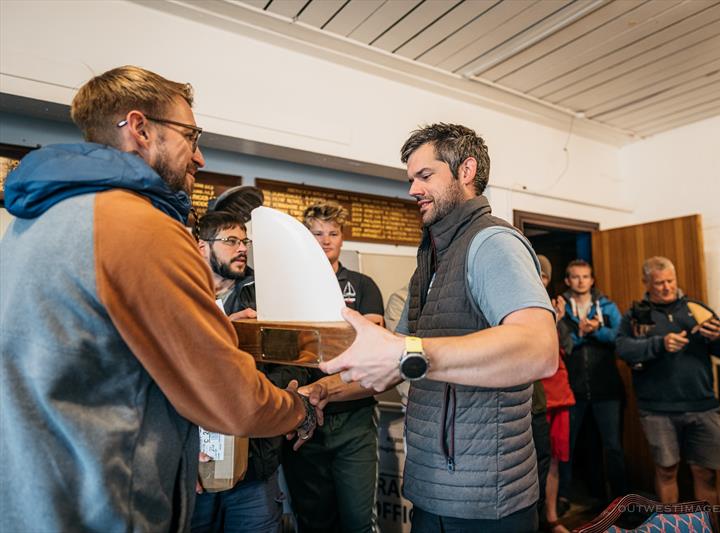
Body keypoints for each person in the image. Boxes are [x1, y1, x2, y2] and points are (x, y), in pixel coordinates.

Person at [0, 65, 325, 532]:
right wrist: (299, 409)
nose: (200, 158)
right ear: (140, 128)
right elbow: (229, 401)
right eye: (191, 136)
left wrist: (217, 333)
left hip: (32, 498)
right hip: (105, 506)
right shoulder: (141, 226)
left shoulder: (34, 223)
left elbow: (92, 346)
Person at [321, 123, 559, 532]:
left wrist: (411, 354)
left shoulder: (492, 242)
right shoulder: (430, 260)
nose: (413, 189)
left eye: (425, 176)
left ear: (466, 171)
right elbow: (393, 357)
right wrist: (322, 392)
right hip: (432, 490)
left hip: (485, 502)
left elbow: (540, 348)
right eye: (411, 179)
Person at [280, 201, 385, 533]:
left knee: (358, 521)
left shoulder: (362, 285)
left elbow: (372, 347)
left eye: (333, 233)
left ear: (342, 238)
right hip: (305, 414)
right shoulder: (289, 286)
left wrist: (316, 336)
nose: (325, 240)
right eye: (317, 233)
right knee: (313, 522)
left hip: (354, 415)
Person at [191, 211, 284, 533]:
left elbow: (283, 373)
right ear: (201, 246)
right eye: (231, 241)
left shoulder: (265, 297)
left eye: (245, 241)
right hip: (195, 464)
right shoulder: (181, 297)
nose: (242, 248)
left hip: (255, 466)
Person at [616, 257, 720, 513]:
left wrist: (718, 337)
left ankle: (708, 529)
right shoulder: (636, 314)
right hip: (657, 410)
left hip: (702, 405)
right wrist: (660, 344)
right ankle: (672, 529)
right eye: (659, 283)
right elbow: (622, 348)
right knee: (666, 471)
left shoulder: (696, 308)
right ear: (646, 282)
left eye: (671, 280)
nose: (667, 287)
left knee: (706, 474)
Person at [558, 259, 625, 503]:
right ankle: (563, 496)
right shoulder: (560, 307)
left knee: (613, 447)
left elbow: (620, 338)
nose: (581, 281)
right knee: (568, 446)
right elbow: (557, 343)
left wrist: (597, 330)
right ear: (567, 280)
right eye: (575, 277)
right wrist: (580, 334)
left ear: (592, 279)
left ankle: (621, 500)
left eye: (585, 276)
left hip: (606, 387)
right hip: (572, 389)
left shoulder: (606, 306)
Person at [537, 255, 576, 533]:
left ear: (547, 280)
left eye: (540, 275)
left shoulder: (558, 307)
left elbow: (569, 348)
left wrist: (558, 321)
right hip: (530, 398)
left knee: (553, 459)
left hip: (558, 395)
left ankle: (551, 518)